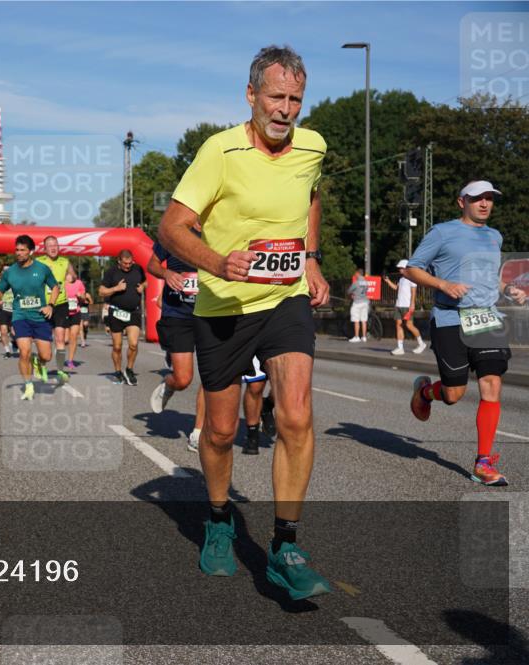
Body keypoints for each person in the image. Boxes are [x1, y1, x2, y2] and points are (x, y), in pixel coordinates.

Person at [157, 45, 331, 599]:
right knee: (221, 430)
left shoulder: (312, 146)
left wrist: (310, 257)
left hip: (285, 299)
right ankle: (216, 516)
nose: (285, 109)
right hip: (224, 305)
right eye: (276, 97)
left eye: (296, 100)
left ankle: (285, 544)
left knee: (297, 416)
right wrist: (217, 262)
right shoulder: (220, 151)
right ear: (251, 94)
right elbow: (172, 227)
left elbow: (310, 196)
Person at [405, 180, 512, 486]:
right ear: (461, 202)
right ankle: (425, 392)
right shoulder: (442, 232)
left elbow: (489, 277)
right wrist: (443, 285)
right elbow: (412, 268)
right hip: (451, 318)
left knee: (492, 384)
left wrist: (509, 289)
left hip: (486, 319)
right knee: (454, 394)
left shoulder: (495, 236)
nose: (485, 204)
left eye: (489, 198)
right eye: (478, 198)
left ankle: (482, 462)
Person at [147, 234, 207, 449]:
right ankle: (169, 386)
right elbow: (152, 264)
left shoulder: (220, 226)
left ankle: (198, 432)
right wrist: (166, 273)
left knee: (211, 379)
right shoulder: (175, 230)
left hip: (211, 314)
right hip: (179, 315)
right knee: (183, 379)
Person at [0, 235, 60, 400]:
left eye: (22, 250)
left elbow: (55, 287)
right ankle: (28, 385)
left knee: (46, 355)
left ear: (31, 251)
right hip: (20, 316)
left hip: (40, 317)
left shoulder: (42, 269)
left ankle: (39, 362)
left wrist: (51, 305)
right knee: (24, 352)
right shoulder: (10, 272)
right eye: (17, 250)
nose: (18, 253)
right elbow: (0, 290)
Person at [99, 250, 146, 385]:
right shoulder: (111, 272)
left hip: (133, 312)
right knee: (117, 346)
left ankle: (129, 369)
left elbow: (146, 282)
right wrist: (116, 288)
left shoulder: (138, 269)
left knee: (133, 344)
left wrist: (142, 286)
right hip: (116, 312)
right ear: (119, 261)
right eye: (125, 263)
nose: (128, 266)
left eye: (130, 263)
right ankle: (118, 371)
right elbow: (101, 291)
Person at [37, 236, 75, 382]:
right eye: (50, 246)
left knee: (60, 338)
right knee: (44, 341)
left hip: (60, 304)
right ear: (45, 248)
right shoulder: (39, 262)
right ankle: (42, 365)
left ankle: (60, 371)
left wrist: (71, 276)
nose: (53, 248)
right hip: (43, 305)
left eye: (55, 245)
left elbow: (73, 275)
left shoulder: (64, 262)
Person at [384, 260, 426, 355]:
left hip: (407, 306)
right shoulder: (401, 279)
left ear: (406, 268)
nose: (400, 269)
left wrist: (412, 304)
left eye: (401, 268)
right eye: (399, 268)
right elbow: (396, 288)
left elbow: (414, 292)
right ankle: (400, 348)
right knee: (398, 325)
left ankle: (421, 343)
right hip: (399, 305)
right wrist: (388, 281)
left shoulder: (412, 278)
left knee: (409, 325)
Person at [64, 272, 87, 369]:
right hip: (63, 313)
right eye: (70, 274)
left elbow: (84, 298)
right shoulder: (62, 283)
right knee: (65, 340)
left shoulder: (79, 283)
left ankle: (70, 360)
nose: (72, 276)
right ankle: (60, 357)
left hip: (75, 312)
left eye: (73, 274)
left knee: (73, 336)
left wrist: (80, 296)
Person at [0, 272, 16, 358]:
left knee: (14, 332)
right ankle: (7, 351)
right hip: (4, 309)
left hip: (15, 310)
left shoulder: (17, 281)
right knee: (3, 331)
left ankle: (15, 342)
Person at [347, 268, 370, 342]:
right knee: (364, 320)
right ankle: (364, 337)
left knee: (356, 320)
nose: (354, 275)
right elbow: (365, 291)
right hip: (365, 302)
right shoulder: (366, 282)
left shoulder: (356, 282)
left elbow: (349, 291)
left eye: (355, 273)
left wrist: (353, 294)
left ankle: (357, 337)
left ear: (358, 273)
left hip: (357, 302)